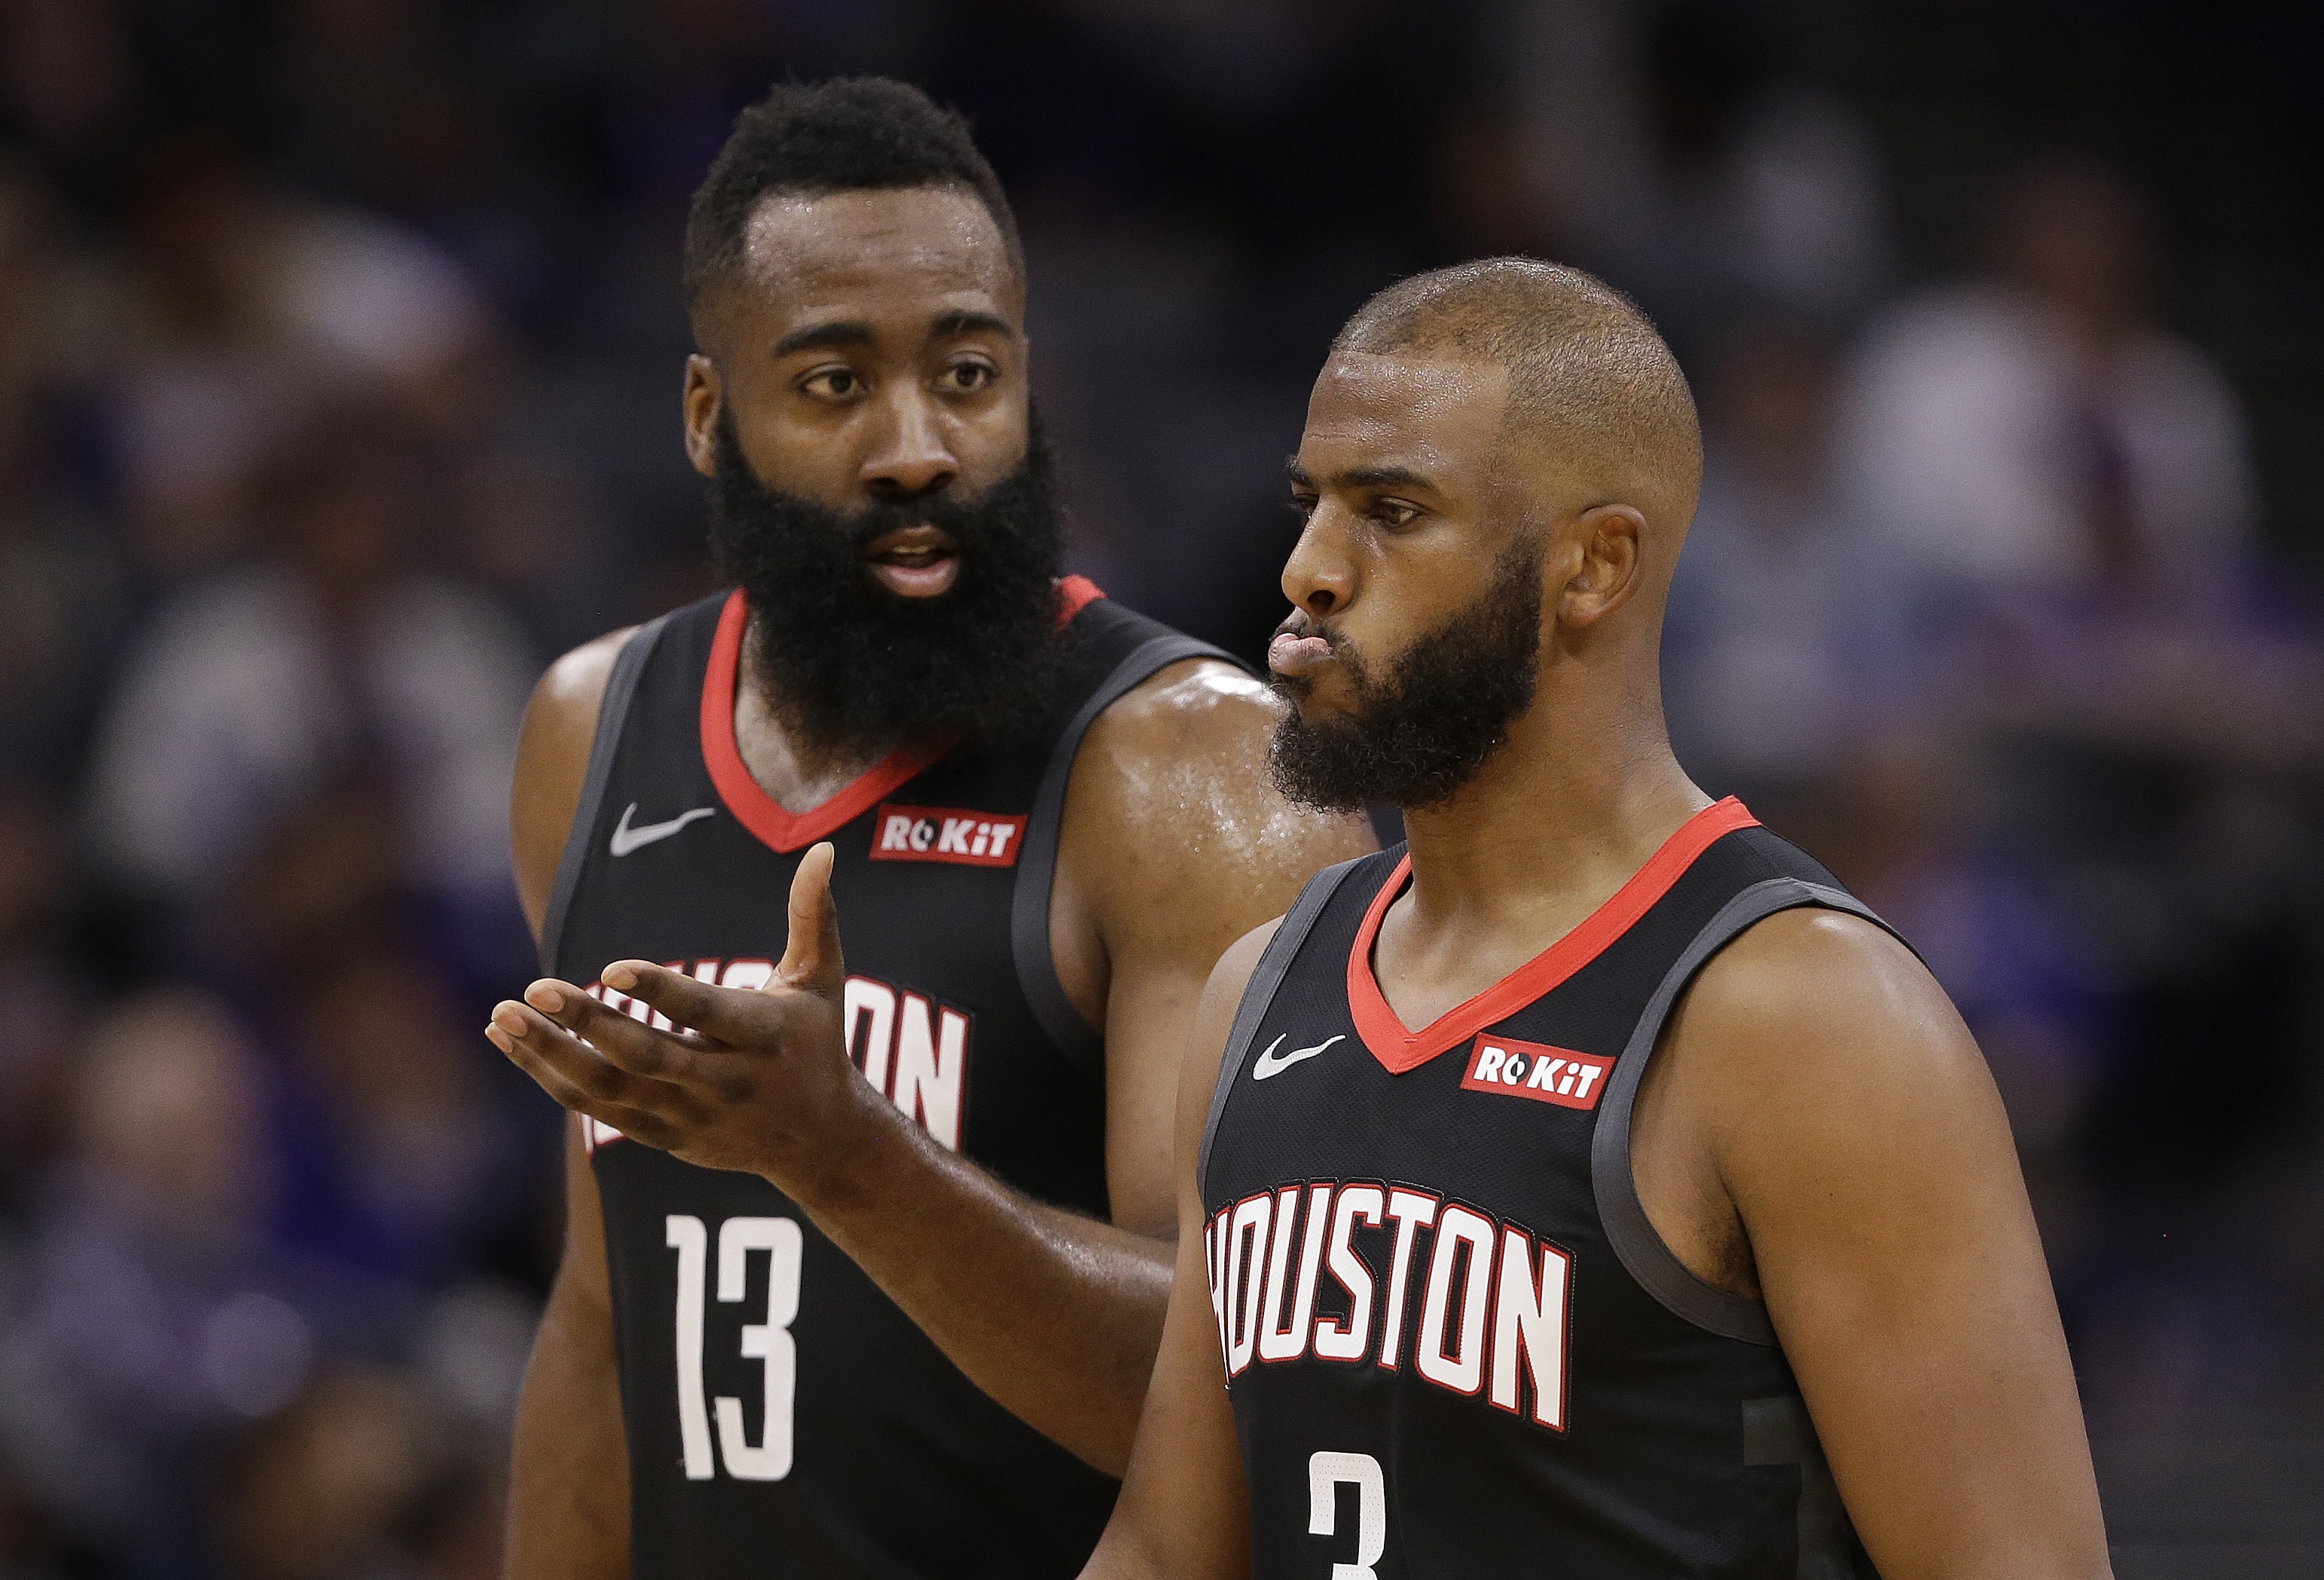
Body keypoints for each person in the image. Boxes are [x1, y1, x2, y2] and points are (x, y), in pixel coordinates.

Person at [1078, 261, 2112, 1578]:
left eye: (1392, 511)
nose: (1309, 570)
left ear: (1594, 564)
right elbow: (1168, 1547)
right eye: (1311, 505)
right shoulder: (1258, 992)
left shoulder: (1807, 1018)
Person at [481, 78, 1369, 1580]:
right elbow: (602, 1317)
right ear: (708, 416)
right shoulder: (592, 730)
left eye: (966, 373)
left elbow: (1262, 1388)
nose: (917, 448)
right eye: (835, 383)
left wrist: (846, 1154)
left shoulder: (1204, 778)